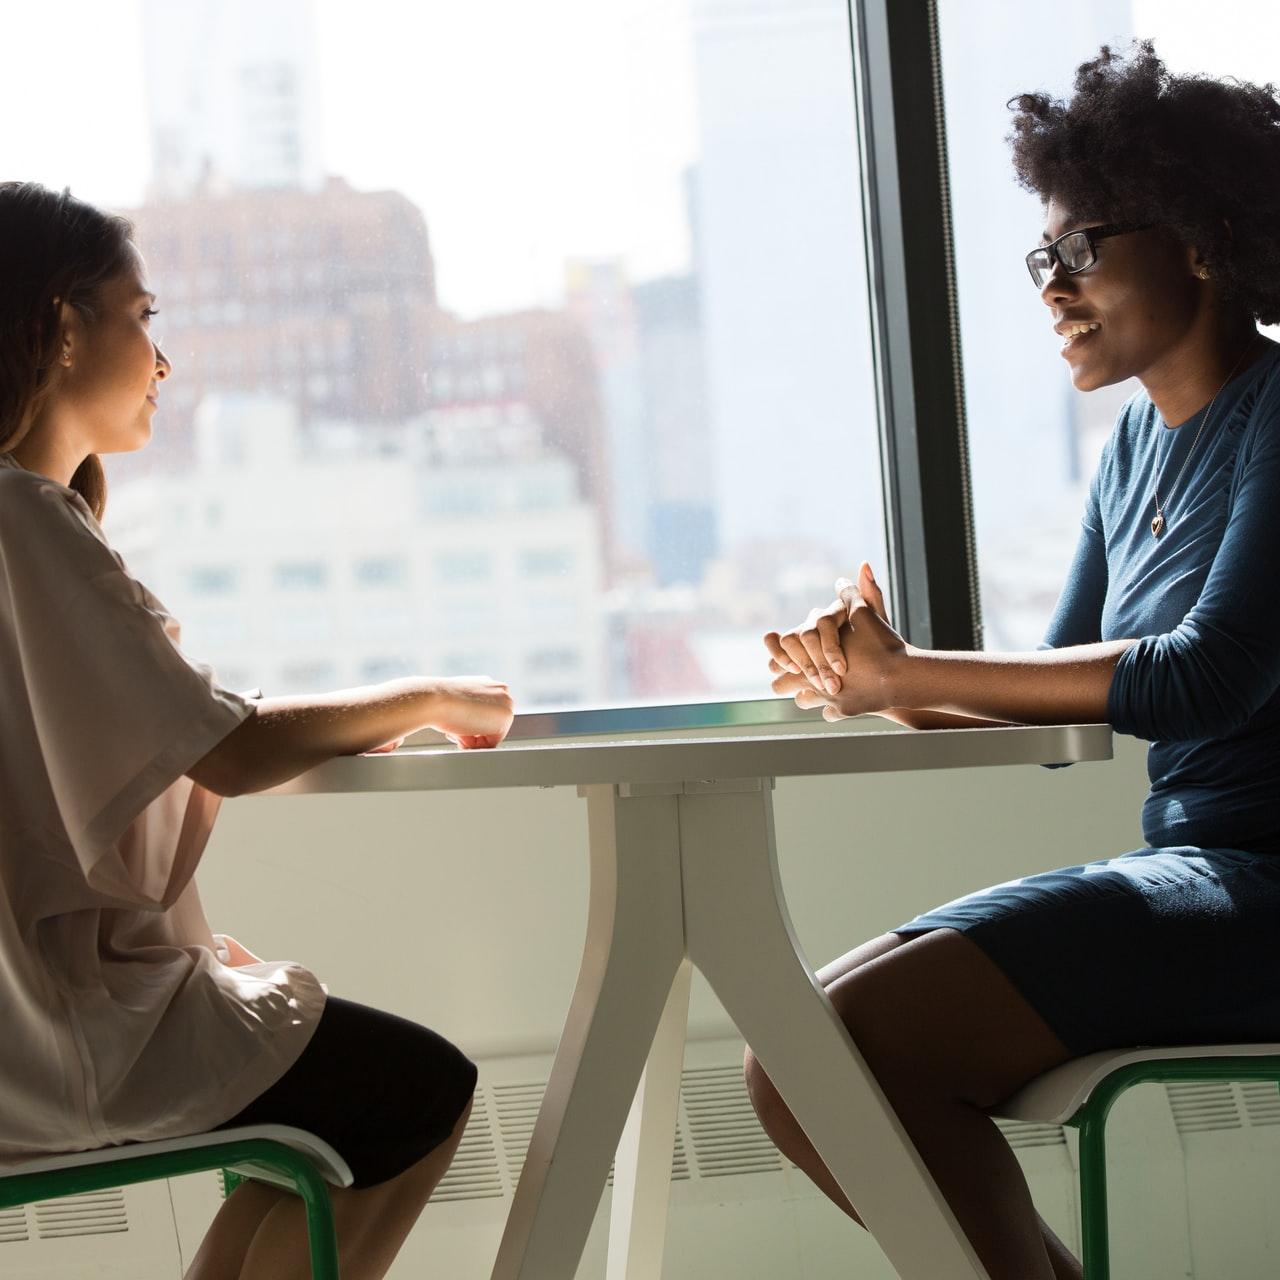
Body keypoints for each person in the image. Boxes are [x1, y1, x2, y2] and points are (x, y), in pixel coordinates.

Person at [748, 40, 1280, 1280]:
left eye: (1080, 249)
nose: (1052, 288)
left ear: (1199, 237)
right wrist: (869, 683)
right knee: (795, 1058)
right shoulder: (1132, 454)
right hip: (1197, 869)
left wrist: (912, 668)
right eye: (1042, 259)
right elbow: (1055, 719)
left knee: (836, 1048)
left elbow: (1207, 677)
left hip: (1262, 888)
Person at [0, 179, 515, 1280]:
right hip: (47, 1034)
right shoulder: (21, 517)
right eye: (144, 317)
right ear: (61, 321)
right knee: (415, 1092)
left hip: (49, 1000)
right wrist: (427, 695)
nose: (163, 358)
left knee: (321, 1127)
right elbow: (222, 745)